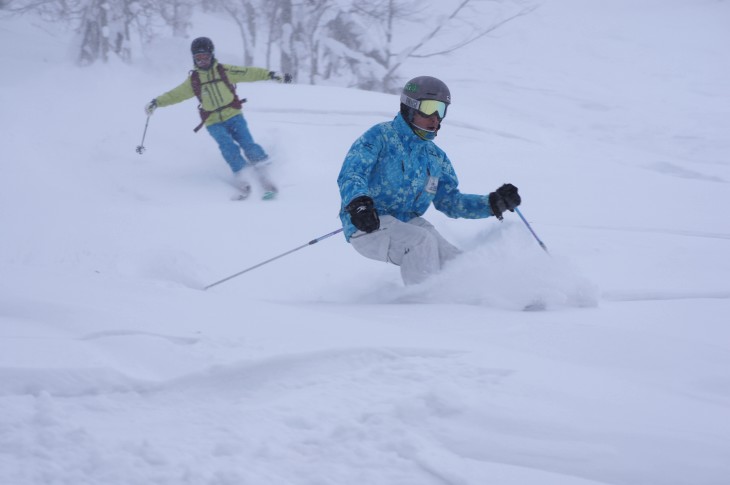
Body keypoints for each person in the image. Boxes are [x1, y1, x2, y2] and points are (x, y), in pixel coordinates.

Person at [337, 75, 521, 285]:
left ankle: (489, 296)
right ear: (410, 107)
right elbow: (352, 173)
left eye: (441, 110)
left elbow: (450, 202)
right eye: (429, 108)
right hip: (368, 222)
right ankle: (422, 308)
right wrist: (359, 205)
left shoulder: (435, 157)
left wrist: (492, 203)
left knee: (453, 258)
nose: (435, 117)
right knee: (421, 241)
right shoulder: (380, 137)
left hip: (408, 222)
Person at [144, 36, 292, 200]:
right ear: (193, 59)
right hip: (213, 121)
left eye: (205, 57)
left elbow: (249, 73)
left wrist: (272, 75)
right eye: (198, 58)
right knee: (227, 147)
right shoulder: (194, 80)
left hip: (233, 115)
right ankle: (242, 175)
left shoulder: (224, 71)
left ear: (211, 55)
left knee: (248, 144)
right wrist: (156, 102)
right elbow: (176, 94)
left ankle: (264, 171)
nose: (202, 61)